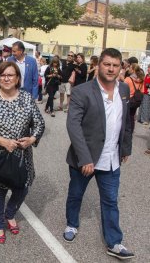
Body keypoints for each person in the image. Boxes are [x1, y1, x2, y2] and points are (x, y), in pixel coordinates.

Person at [64, 48, 134, 260]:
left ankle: (114, 242)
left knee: (111, 201)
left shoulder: (123, 90)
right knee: (76, 194)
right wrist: (85, 158)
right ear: (99, 65)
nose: (111, 69)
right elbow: (73, 126)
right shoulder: (82, 91)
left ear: (120, 67)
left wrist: (125, 148)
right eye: (107, 64)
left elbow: (126, 122)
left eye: (115, 65)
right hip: (85, 159)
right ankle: (72, 224)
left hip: (112, 159)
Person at [0, 61, 45, 244]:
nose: (6, 78)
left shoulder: (26, 97)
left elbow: (38, 123)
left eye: (10, 75)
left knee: (22, 187)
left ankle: (10, 213)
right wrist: (2, 141)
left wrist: (32, 138)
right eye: (3, 75)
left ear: (17, 78)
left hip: (21, 154)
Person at [124, 63, 145, 133]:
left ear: (133, 70)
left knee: (125, 116)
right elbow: (142, 91)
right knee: (132, 116)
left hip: (128, 100)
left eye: (130, 68)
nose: (129, 69)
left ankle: (125, 131)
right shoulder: (141, 80)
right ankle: (131, 131)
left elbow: (123, 90)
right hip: (136, 101)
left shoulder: (128, 79)